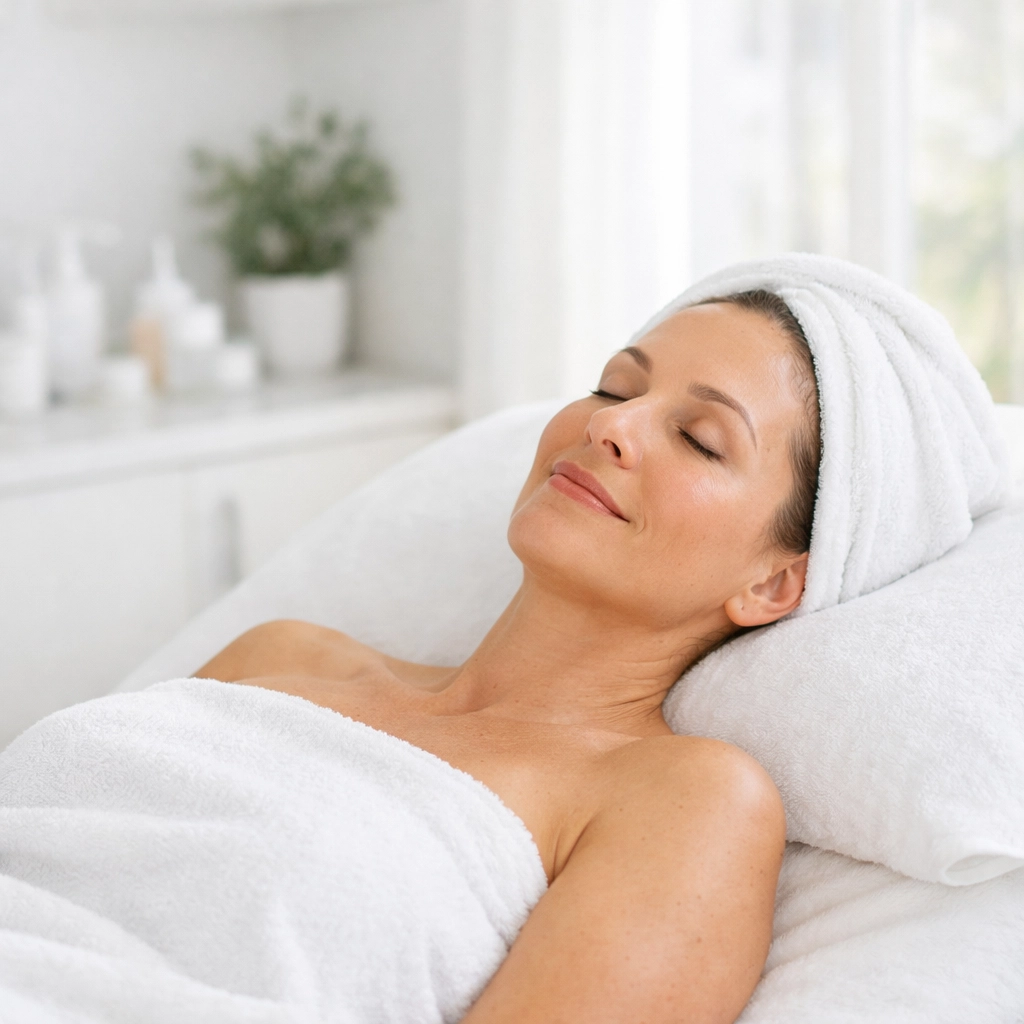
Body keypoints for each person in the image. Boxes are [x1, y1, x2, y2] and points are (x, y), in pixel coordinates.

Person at [200, 288, 821, 1024]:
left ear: (772, 582)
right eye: (614, 387)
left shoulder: (688, 801)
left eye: (700, 438)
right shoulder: (276, 657)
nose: (610, 423)